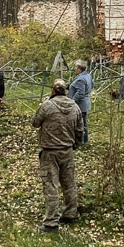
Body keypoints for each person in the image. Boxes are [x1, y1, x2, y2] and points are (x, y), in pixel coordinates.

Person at [31, 79, 82, 233]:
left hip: (50, 151)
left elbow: (35, 123)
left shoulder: (47, 106)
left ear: (53, 90)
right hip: (67, 150)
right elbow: (80, 130)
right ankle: (70, 213)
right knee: (69, 183)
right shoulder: (75, 107)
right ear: (65, 90)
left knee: (50, 185)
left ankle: (51, 222)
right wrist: (75, 145)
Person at [68, 60, 93, 146]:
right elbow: (91, 86)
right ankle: (84, 139)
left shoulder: (81, 79)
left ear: (79, 68)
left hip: (80, 105)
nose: (75, 69)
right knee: (83, 122)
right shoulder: (87, 75)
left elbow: (80, 93)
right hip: (85, 103)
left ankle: (80, 141)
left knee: (80, 123)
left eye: (76, 67)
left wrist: (72, 102)